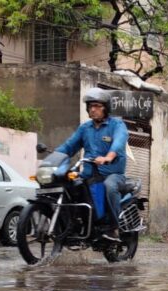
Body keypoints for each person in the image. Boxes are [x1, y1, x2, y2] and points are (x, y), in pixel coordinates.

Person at [55, 88, 129, 240]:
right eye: (90, 106)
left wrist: (108, 156)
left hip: (112, 174)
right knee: (68, 186)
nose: (92, 109)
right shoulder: (85, 128)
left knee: (109, 186)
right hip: (89, 175)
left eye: (97, 106)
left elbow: (119, 143)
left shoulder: (117, 125)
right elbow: (69, 146)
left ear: (106, 108)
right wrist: (54, 157)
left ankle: (113, 227)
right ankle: (73, 226)